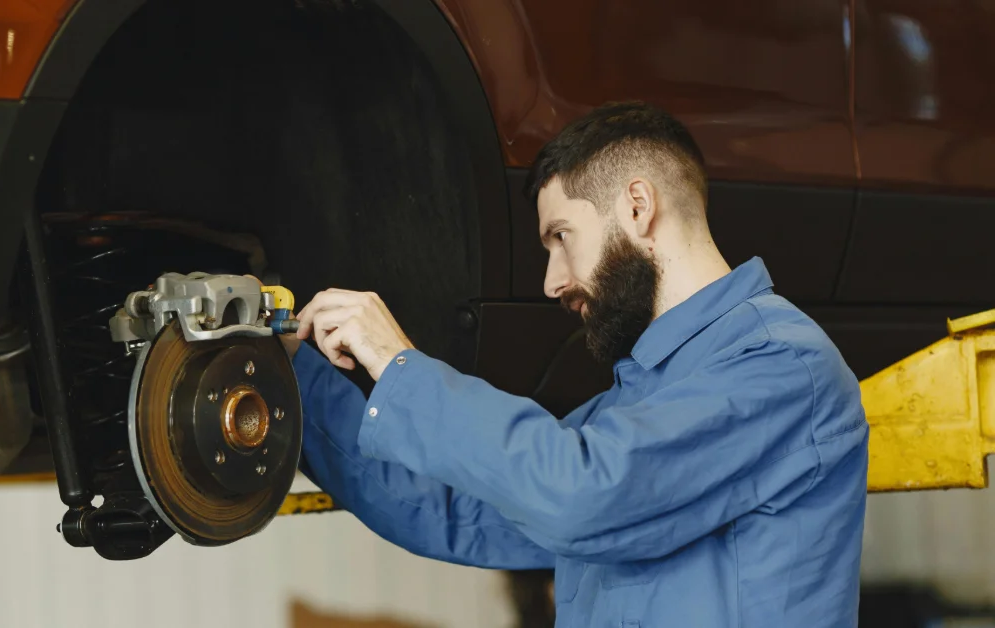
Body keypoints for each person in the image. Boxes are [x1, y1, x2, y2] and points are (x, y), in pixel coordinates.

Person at [278, 101, 868, 627]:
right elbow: (445, 511)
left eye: (562, 236)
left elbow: (583, 494)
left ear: (638, 206)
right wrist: (293, 372)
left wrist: (400, 363)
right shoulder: (631, 407)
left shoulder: (782, 366)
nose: (552, 281)